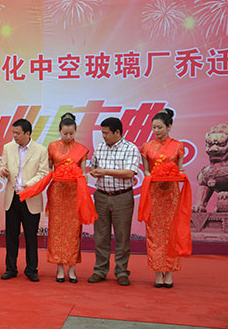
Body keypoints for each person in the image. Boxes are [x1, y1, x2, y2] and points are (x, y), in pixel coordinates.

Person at [88, 117, 140, 286]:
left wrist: (105, 171)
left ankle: (122, 271)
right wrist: (94, 171)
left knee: (122, 236)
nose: (103, 136)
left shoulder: (130, 148)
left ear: (117, 132)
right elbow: (92, 166)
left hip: (122, 197)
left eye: (106, 133)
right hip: (101, 196)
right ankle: (100, 270)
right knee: (100, 235)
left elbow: (130, 173)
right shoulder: (100, 147)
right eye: (102, 133)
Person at [0, 119, 49, 281]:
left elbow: (43, 173)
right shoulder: (8, 147)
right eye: (13, 132)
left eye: (17, 133)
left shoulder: (41, 150)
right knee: (11, 236)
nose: (14, 136)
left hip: (30, 197)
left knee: (31, 236)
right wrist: (2, 171)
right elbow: (2, 166)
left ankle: (31, 269)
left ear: (28, 133)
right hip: (12, 197)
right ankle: (10, 268)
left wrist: (28, 185)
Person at [141, 109, 185, 288]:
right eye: (154, 127)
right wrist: (153, 176)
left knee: (171, 232)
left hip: (171, 194)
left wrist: (173, 175)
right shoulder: (147, 147)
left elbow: (180, 170)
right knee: (155, 233)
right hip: (154, 193)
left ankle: (170, 272)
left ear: (169, 126)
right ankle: (158, 271)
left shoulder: (178, 146)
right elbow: (146, 171)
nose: (156, 130)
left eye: (160, 127)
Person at [46, 113, 89, 283]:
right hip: (57, 192)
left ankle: (72, 268)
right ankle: (59, 268)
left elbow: (83, 172)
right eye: (65, 133)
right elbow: (48, 170)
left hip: (74, 193)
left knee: (73, 230)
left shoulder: (81, 149)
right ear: (60, 131)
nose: (68, 136)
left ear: (75, 131)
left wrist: (80, 177)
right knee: (57, 229)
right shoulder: (52, 147)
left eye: (71, 133)